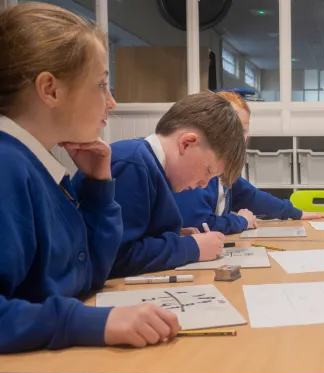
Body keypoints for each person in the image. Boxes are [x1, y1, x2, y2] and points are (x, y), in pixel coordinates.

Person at [0, 2, 179, 353]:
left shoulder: (39, 166)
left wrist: (98, 188)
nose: (110, 102)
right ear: (50, 90)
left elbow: (86, 277)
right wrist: (96, 323)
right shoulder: (7, 167)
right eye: (101, 85)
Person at [73, 91, 247, 277]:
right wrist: (191, 247)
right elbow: (117, 257)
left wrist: (174, 237)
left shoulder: (151, 166)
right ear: (187, 143)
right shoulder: (132, 165)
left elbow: (136, 236)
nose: (204, 184)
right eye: (208, 171)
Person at [173, 89, 324, 235]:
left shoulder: (224, 171)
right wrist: (241, 221)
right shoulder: (195, 169)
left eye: (243, 130)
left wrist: (294, 212)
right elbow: (198, 224)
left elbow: (252, 197)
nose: (238, 136)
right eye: (230, 128)